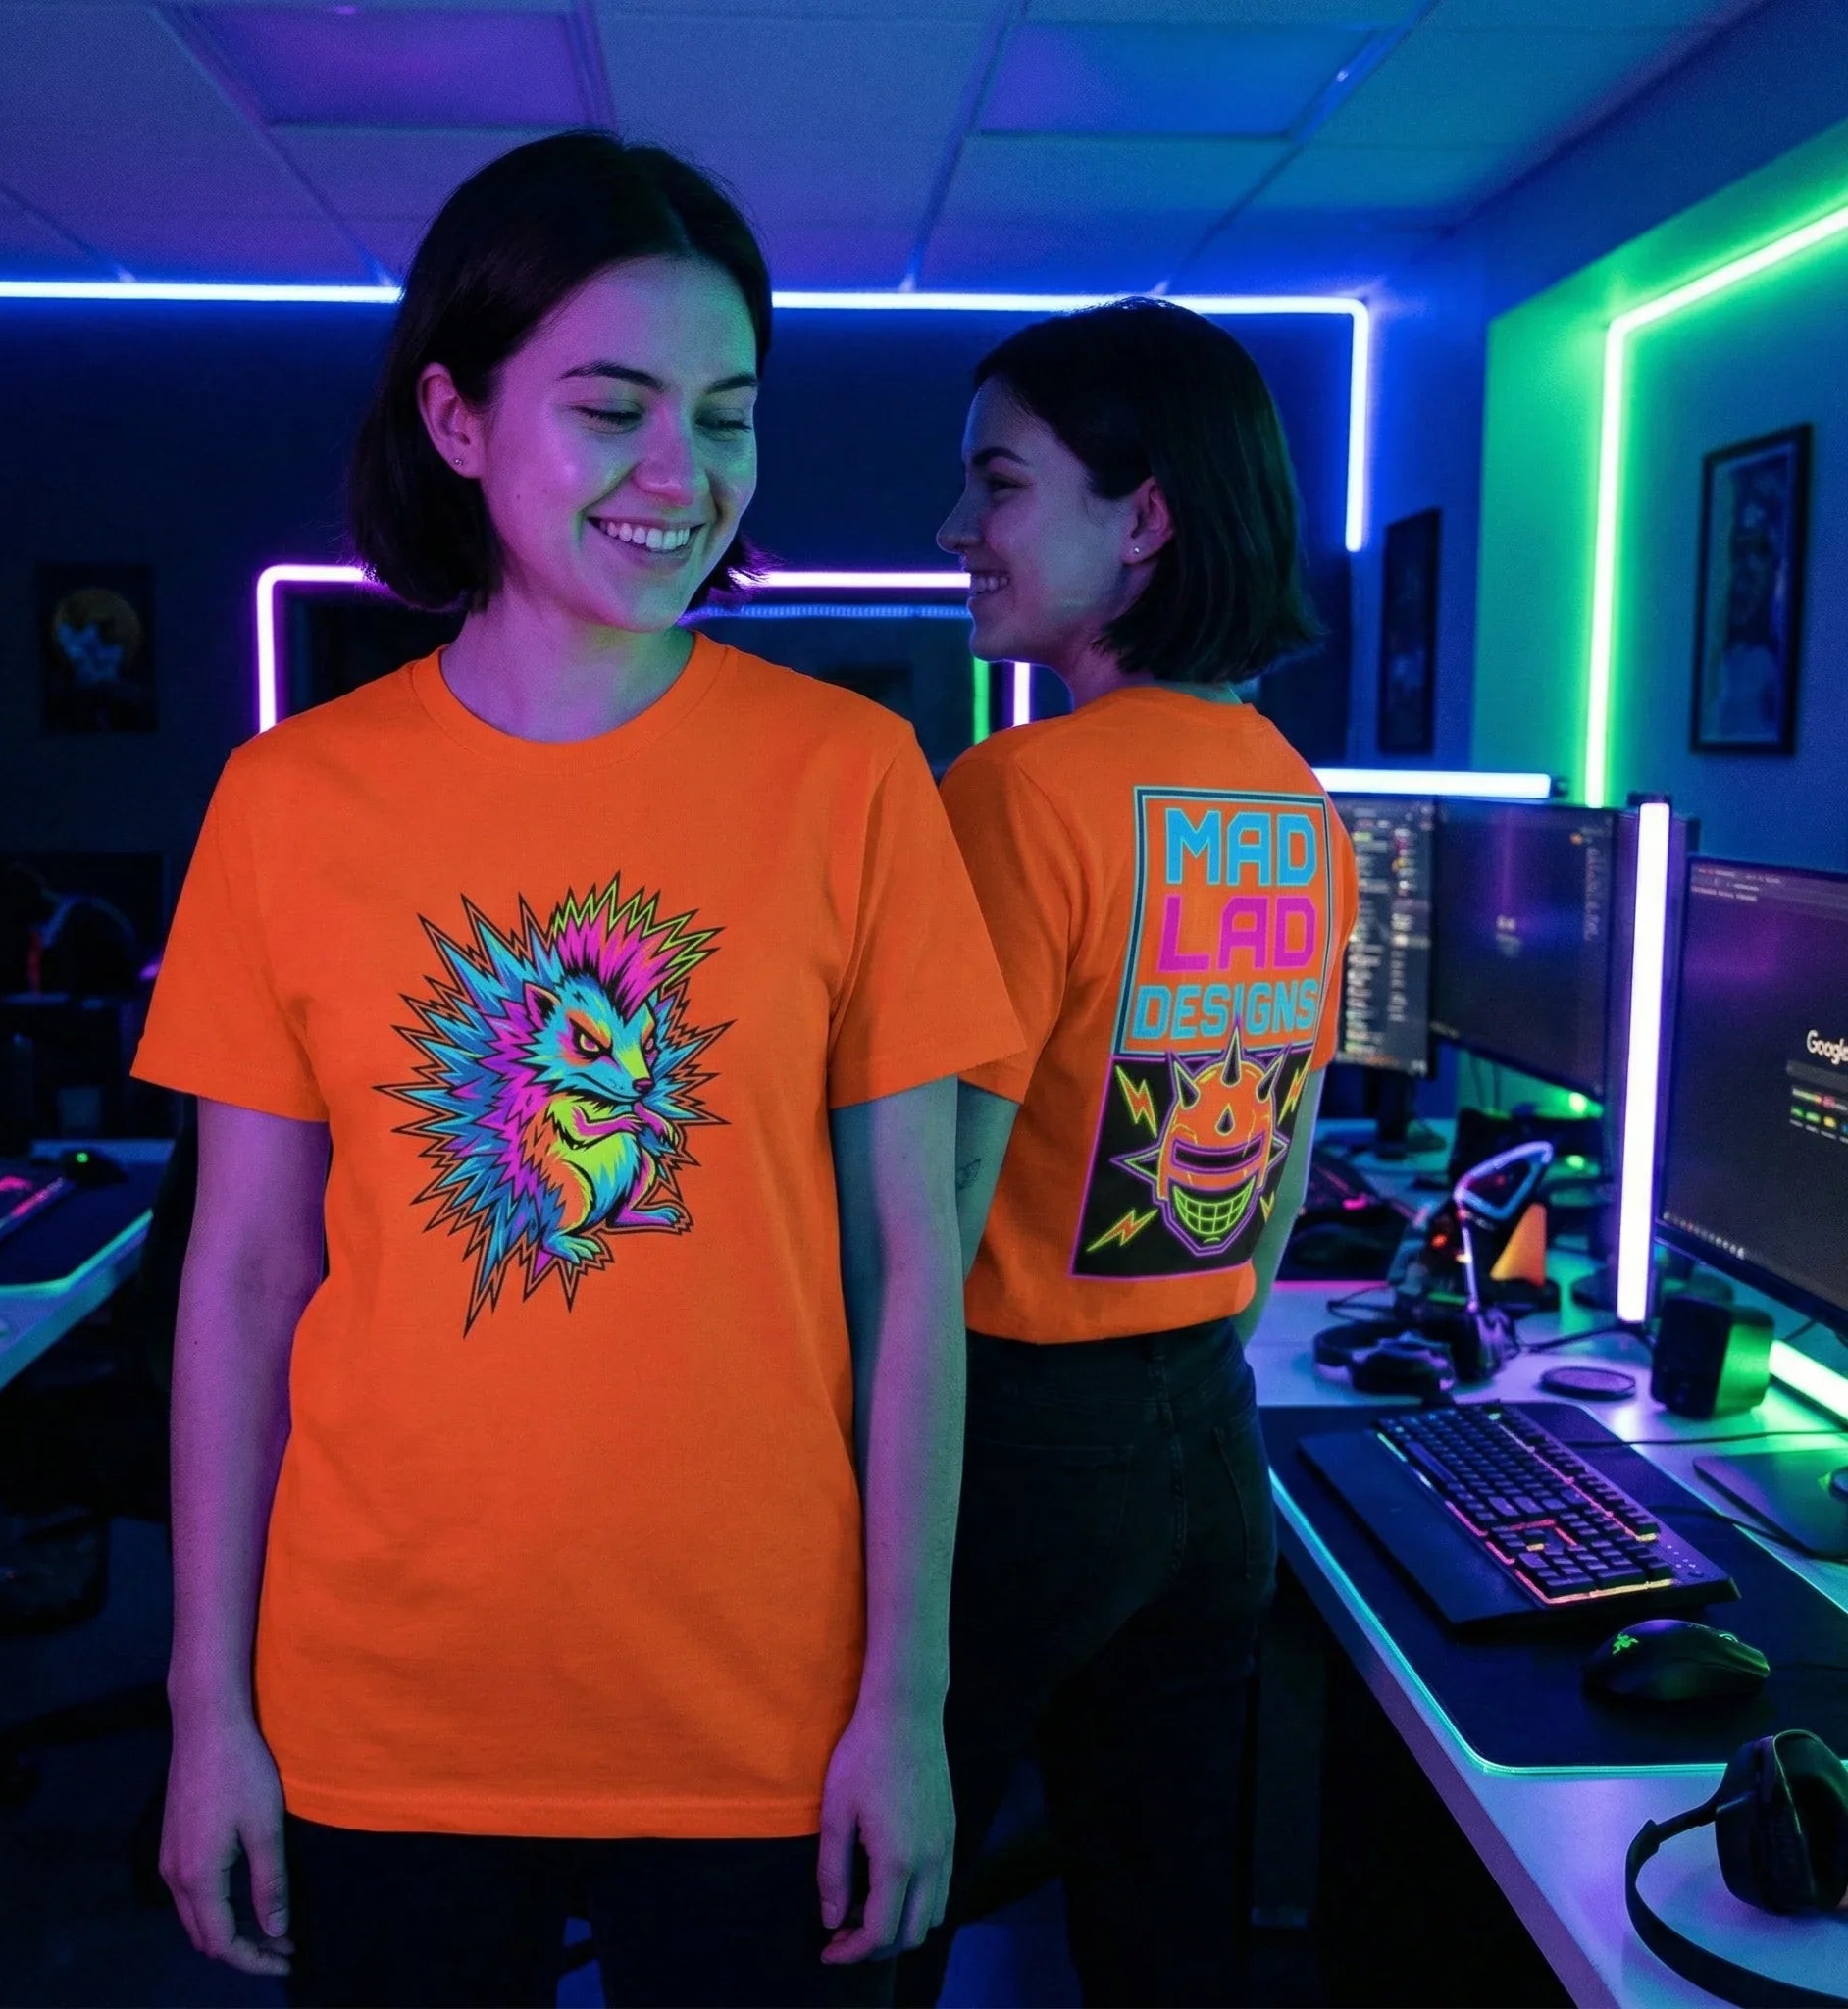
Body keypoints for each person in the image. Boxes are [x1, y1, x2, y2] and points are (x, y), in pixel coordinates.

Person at [137, 132, 1022, 2009]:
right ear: (455, 419)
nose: (681, 477)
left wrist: (910, 1697)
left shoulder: (850, 778)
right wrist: (205, 1705)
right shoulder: (288, 804)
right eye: (611, 409)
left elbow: (910, 1278)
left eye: (726, 415)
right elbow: (238, 1285)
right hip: (382, 1703)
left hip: (765, 1708)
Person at [898, 300, 1360, 2008]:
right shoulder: (1295, 799)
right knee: (1168, 1947)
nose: (958, 533)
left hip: (1013, 1451)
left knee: (871, 1917)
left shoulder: (1018, 794)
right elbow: (1286, 1177)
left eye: (998, 486)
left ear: (1144, 516)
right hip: (1200, 1460)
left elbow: (939, 1208)